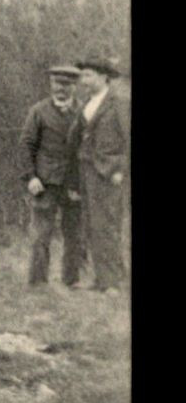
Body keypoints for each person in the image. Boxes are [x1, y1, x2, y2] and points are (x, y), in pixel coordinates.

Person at [19, 64, 85, 289]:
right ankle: (38, 282)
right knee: (40, 235)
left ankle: (72, 280)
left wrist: (81, 183)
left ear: (74, 87)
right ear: (51, 85)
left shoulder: (84, 111)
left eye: (66, 85)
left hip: (74, 182)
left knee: (74, 234)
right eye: (57, 84)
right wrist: (31, 177)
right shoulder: (38, 111)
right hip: (44, 182)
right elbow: (26, 145)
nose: (61, 89)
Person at [72, 55, 129, 294]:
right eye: (83, 75)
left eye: (88, 75)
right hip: (87, 172)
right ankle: (103, 278)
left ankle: (112, 282)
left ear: (103, 77)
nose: (84, 80)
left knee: (107, 225)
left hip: (109, 173)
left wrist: (120, 170)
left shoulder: (119, 103)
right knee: (92, 225)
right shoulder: (86, 103)